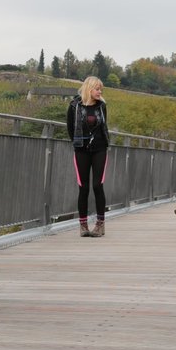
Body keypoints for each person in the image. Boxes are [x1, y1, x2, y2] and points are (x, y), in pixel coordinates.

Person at [67, 76, 110, 237]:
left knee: (98, 185)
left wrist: (101, 143)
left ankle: (100, 225)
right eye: (97, 89)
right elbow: (70, 128)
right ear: (89, 89)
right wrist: (79, 143)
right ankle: (83, 225)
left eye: (101, 89)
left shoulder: (102, 106)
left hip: (100, 149)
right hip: (81, 150)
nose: (100, 92)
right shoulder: (74, 106)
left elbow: (104, 127)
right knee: (83, 187)